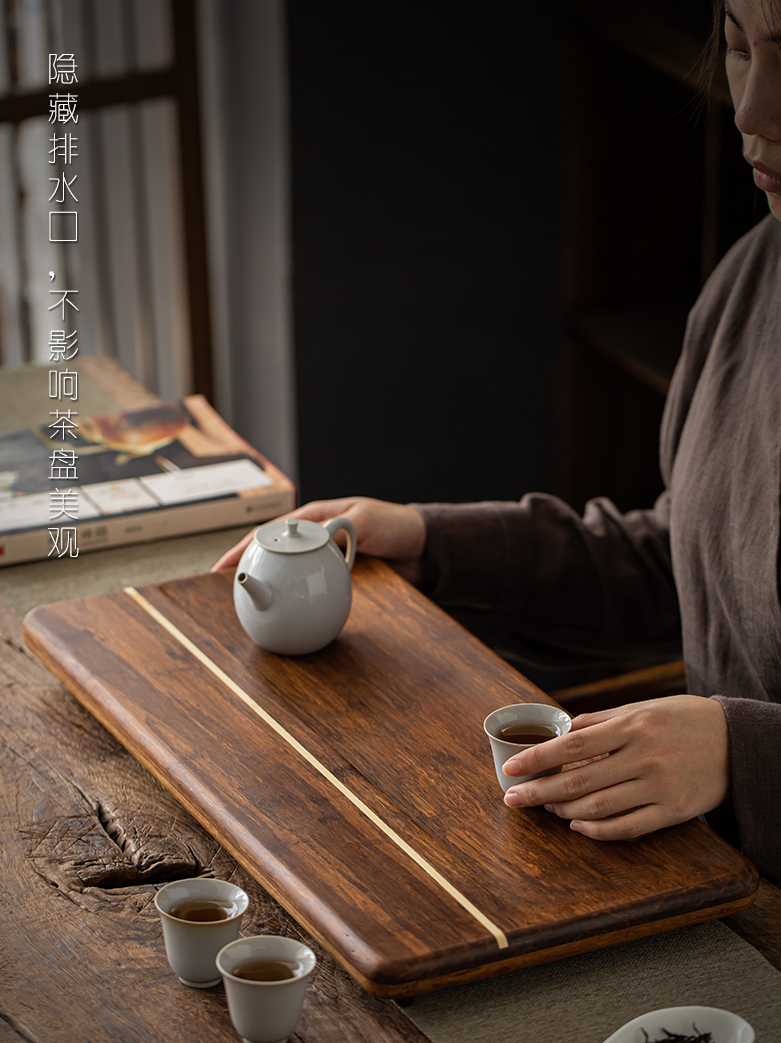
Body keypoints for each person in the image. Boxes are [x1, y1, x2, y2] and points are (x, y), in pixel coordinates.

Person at [215, 0, 781, 886]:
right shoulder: (754, 278)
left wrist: (743, 753)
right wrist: (431, 541)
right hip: (706, 869)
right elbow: (687, 563)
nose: (749, 109)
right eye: (742, 51)